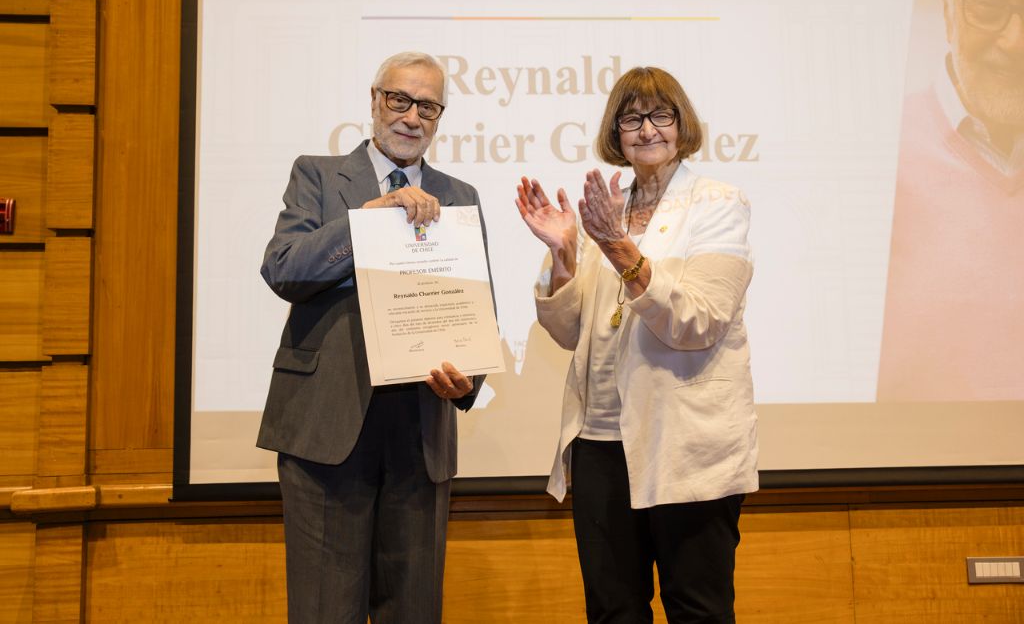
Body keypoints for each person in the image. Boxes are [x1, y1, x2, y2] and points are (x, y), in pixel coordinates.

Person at [516, 66, 758, 623]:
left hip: (686, 443)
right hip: (600, 442)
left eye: (660, 115)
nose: (647, 130)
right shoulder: (607, 207)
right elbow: (570, 331)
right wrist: (564, 253)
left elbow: (699, 321)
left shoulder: (718, 203)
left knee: (697, 609)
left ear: (682, 123)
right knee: (612, 611)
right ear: (615, 132)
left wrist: (619, 248)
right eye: (631, 119)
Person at [258, 51, 487, 623]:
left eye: (428, 107)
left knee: (414, 611)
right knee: (324, 611)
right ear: (375, 100)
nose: (411, 117)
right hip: (326, 429)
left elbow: (473, 309)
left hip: (421, 432)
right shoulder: (317, 174)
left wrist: (469, 379)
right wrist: (372, 217)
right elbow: (284, 270)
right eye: (399, 100)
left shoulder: (460, 195)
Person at [877, 0, 1024, 401]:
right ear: (947, 10)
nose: (1014, 41)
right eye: (987, 5)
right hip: (910, 446)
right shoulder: (878, 155)